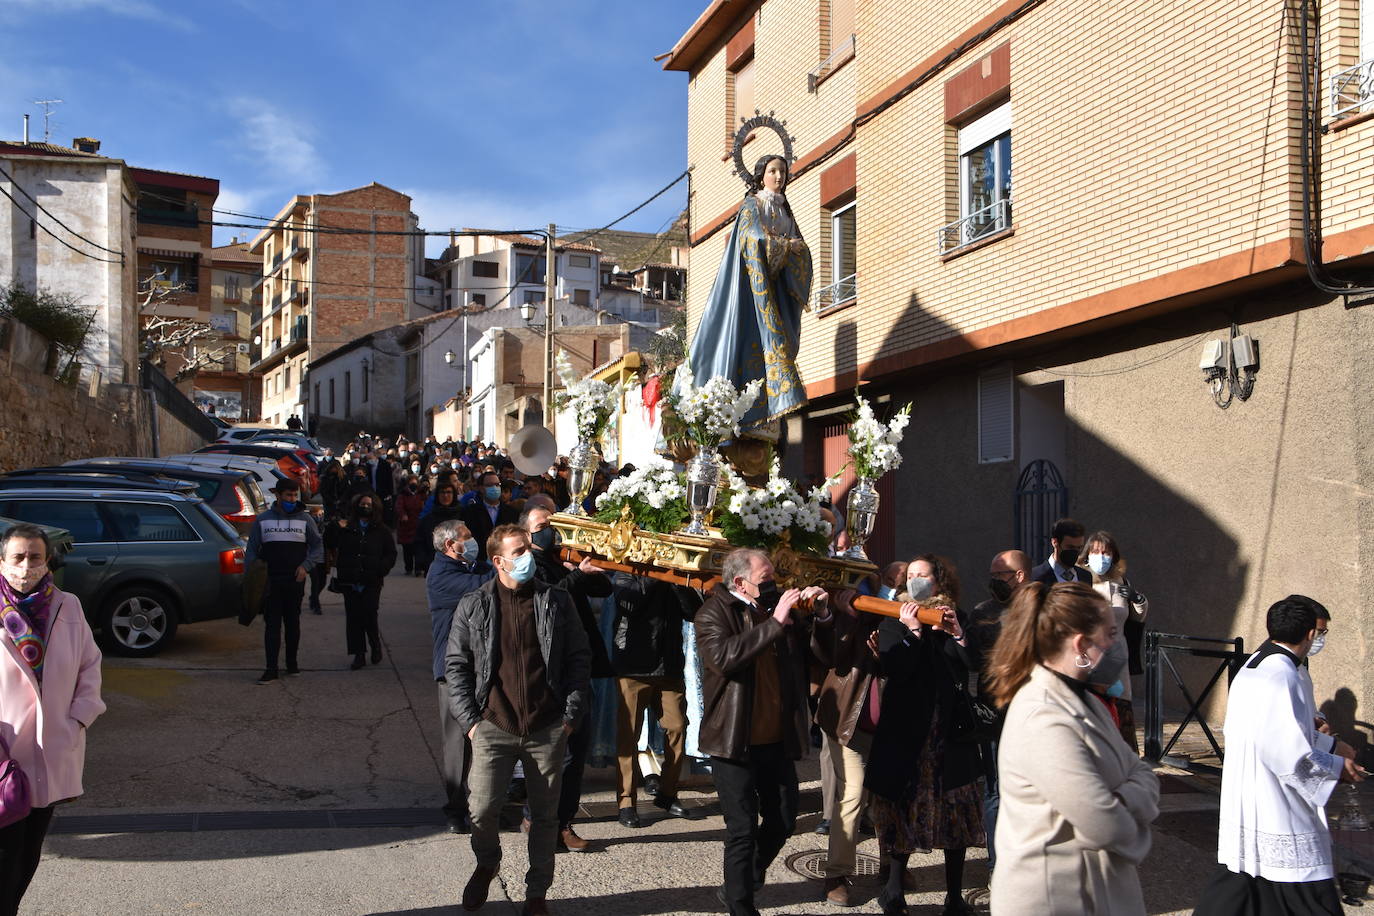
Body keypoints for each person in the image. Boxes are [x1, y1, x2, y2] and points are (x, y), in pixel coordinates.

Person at [986, 581, 1158, 916]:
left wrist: (1120, 799)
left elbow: (1143, 772)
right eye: (1110, 633)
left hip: (1096, 890)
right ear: (1081, 644)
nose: (1115, 644)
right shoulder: (1042, 715)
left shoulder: (1086, 700)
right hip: (1054, 899)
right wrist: (1129, 805)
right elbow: (1105, 824)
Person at [447, 524, 591, 916]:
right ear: (499, 561)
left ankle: (536, 893)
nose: (528, 555)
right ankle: (487, 862)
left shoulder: (555, 599)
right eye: (519, 551)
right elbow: (456, 665)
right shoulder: (474, 604)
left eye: (528, 547)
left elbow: (579, 658)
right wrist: (472, 722)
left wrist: (569, 717)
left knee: (545, 817)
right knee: (481, 809)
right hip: (493, 725)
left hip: (547, 726)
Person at [1194, 595, 1361, 916]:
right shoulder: (1281, 675)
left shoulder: (1258, 664)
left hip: (1250, 788)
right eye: (1321, 633)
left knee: (1243, 881)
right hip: (1275, 796)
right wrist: (1338, 767)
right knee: (1305, 888)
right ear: (1309, 633)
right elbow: (1289, 754)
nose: (1320, 640)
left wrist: (1325, 740)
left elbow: (1280, 728)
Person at [695, 547, 831, 916]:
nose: (774, 585)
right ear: (740, 582)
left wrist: (820, 615)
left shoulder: (775, 610)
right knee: (742, 829)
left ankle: (744, 878)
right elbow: (724, 658)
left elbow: (819, 655)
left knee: (783, 820)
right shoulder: (713, 612)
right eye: (765, 579)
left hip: (776, 739)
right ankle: (740, 905)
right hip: (733, 740)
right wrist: (775, 623)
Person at [866, 555, 984, 915]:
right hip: (908, 733)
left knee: (955, 813)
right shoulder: (894, 616)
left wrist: (957, 634)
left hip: (949, 733)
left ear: (938, 580)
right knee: (904, 808)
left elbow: (973, 663)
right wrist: (914, 632)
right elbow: (894, 667)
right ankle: (893, 890)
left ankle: (954, 896)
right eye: (911, 575)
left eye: (923, 575)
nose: (916, 580)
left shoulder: (954, 616)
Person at [0, 524, 105, 915]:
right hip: (5, 754)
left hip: (52, 747)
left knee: (29, 851)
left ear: (48, 562)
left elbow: (90, 664)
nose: (26, 566)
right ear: (2, 561)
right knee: (5, 853)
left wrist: (80, 717)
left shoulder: (67, 605)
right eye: (18, 557)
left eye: (35, 557)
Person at [680, 151, 812, 436]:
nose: (779, 176)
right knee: (749, 340)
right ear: (761, 176)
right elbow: (752, 238)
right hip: (751, 287)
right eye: (773, 171)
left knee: (776, 345)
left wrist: (793, 249)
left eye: (783, 172)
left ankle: (766, 410)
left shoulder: (786, 210)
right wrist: (784, 246)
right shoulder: (753, 204)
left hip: (775, 288)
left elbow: (801, 247)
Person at [522, 505, 613, 851]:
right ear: (527, 533)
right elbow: (544, 598)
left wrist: (584, 569)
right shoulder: (529, 564)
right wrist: (575, 576)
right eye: (542, 525)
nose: (549, 530)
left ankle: (562, 822)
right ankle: (539, 818)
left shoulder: (562, 557)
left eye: (553, 523)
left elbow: (603, 589)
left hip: (578, 665)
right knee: (553, 753)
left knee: (576, 750)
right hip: (551, 670)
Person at [811, 567, 889, 906]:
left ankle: (891, 866)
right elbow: (830, 657)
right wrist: (847, 618)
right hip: (848, 724)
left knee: (887, 798)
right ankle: (836, 874)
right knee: (853, 795)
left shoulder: (901, 620)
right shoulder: (844, 619)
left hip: (889, 730)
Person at [961, 549, 1032, 908]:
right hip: (994, 713)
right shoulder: (982, 612)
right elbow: (972, 660)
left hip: (1032, 713)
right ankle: (997, 866)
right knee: (995, 791)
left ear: (1020, 576)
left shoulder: (1040, 609)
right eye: (991, 574)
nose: (993, 581)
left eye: (999, 575)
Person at [609, 571, 702, 829]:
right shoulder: (625, 573)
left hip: (669, 666)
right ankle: (626, 802)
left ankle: (667, 793)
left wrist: (679, 581)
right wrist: (657, 574)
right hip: (633, 666)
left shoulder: (674, 574)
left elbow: (694, 611)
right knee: (628, 736)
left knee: (677, 728)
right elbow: (629, 603)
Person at [427, 519, 494, 834]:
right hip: (455, 670)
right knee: (457, 741)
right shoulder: (441, 575)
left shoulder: (471, 566)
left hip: (484, 664)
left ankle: (488, 802)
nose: (472, 540)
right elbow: (486, 585)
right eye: (466, 536)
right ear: (449, 545)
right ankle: (456, 809)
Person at [245, 481, 323, 684]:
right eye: (288, 495)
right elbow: (251, 550)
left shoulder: (305, 519)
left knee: (292, 623)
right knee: (272, 625)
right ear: (278, 496)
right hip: (270, 582)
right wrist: (252, 577)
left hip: (294, 581)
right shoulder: (263, 520)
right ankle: (271, 669)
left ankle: (292, 663)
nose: (292, 500)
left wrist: (305, 567)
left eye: (295, 496)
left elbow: (317, 547)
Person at [1078, 531, 1148, 750]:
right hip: (1092, 657)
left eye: (1106, 552)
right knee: (1095, 707)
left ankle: (1125, 754)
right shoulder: (1081, 580)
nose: (1101, 557)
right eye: (1096, 552)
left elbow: (1136, 618)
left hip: (1119, 655)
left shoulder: (1121, 582)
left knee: (1122, 705)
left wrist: (1137, 598)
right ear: (1087, 555)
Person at [323, 493, 397, 670]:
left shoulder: (382, 530)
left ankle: (375, 644)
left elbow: (390, 553)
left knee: (369, 615)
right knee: (353, 618)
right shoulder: (347, 527)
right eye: (362, 504)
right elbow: (330, 542)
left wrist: (380, 569)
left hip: (371, 581)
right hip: (350, 580)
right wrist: (334, 526)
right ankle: (358, 654)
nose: (365, 507)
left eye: (369, 505)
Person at [462, 471, 520, 561]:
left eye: (497, 485)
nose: (495, 488)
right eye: (490, 485)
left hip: (506, 558)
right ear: (481, 488)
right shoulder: (470, 512)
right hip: (480, 559)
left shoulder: (512, 512)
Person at [415, 482, 463, 577]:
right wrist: (424, 562)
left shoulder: (464, 516)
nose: (445, 496)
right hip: (434, 566)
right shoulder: (428, 519)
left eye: (449, 492)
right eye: (442, 492)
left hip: (460, 567)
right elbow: (420, 542)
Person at [1030, 518, 1090, 586]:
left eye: (1079, 547)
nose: (1075, 551)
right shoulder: (1036, 576)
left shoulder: (1085, 576)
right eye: (1070, 547)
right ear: (1055, 542)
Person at [395, 473, 425, 576]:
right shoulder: (403, 495)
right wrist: (403, 515)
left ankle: (418, 568)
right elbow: (399, 507)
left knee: (418, 548)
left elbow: (426, 506)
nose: (413, 484)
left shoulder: (421, 494)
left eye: (415, 482)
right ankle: (408, 567)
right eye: (411, 482)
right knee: (407, 548)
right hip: (406, 525)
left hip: (418, 524)